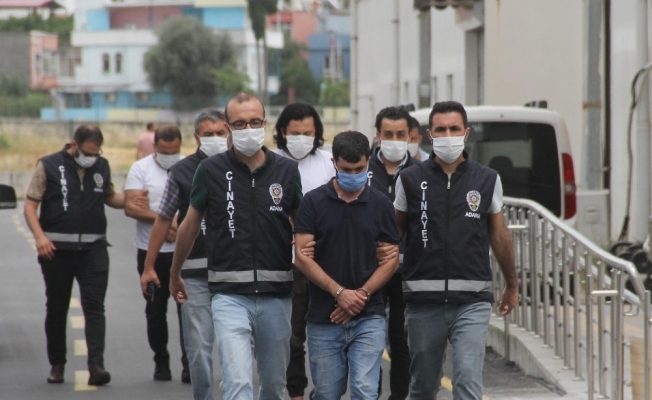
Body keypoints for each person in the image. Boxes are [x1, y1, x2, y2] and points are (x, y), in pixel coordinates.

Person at [169, 92, 302, 400]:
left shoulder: (286, 171)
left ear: (265, 123)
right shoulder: (210, 171)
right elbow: (189, 225)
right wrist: (176, 273)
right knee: (238, 382)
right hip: (228, 295)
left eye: (255, 122)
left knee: (274, 385)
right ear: (228, 127)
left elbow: (304, 226)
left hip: (276, 293)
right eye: (240, 124)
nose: (248, 129)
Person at [393, 101, 518, 400]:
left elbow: (499, 235)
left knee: (466, 381)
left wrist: (512, 284)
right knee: (423, 387)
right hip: (423, 301)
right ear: (429, 135)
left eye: (454, 129)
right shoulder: (409, 179)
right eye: (440, 129)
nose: (447, 135)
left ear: (466, 133)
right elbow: (393, 234)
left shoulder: (487, 179)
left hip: (472, 301)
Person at [293, 131, 400, 400]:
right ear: (334, 163)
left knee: (364, 390)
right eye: (346, 169)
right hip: (324, 317)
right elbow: (302, 257)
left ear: (368, 162)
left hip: (369, 316)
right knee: (328, 393)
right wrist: (339, 293)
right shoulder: (313, 202)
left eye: (360, 169)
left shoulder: (381, 204)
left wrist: (360, 295)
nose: (353, 175)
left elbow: (391, 259)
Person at [23, 125, 125, 386]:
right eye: (88, 153)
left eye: (96, 153)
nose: (92, 157)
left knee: (95, 307)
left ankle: (96, 366)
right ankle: (57, 364)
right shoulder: (48, 165)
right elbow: (30, 206)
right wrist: (40, 238)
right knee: (57, 308)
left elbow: (110, 196)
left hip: (94, 249)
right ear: (74, 144)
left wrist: (132, 200)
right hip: (56, 251)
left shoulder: (101, 165)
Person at [140, 110, 229, 400]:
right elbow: (163, 218)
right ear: (196, 137)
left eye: (220, 133)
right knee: (199, 347)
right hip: (195, 274)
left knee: (234, 344)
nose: (215, 138)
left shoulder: (243, 166)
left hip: (235, 272)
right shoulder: (181, 172)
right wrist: (150, 266)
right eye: (208, 134)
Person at [273, 102, 335, 400]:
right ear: (283, 132)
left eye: (307, 133)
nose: (301, 139)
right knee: (293, 336)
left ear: (317, 133)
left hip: (327, 263)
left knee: (327, 334)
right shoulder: (271, 162)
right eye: (294, 133)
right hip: (288, 263)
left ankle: (324, 390)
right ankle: (295, 391)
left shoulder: (329, 162)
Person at [124, 125, 190, 382]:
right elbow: (131, 207)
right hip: (151, 252)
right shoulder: (140, 169)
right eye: (164, 152)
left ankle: (189, 364)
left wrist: (177, 228)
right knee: (155, 311)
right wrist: (167, 224)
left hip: (184, 252)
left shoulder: (190, 167)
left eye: (174, 151)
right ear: (154, 147)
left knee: (187, 311)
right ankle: (161, 361)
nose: (170, 156)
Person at [368, 106, 416, 400]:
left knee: (401, 339)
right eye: (388, 134)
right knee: (370, 338)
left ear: (410, 136)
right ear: (378, 136)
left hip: (406, 270)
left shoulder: (420, 172)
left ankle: (399, 395)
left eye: (400, 134)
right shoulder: (362, 170)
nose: (394, 140)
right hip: (368, 270)